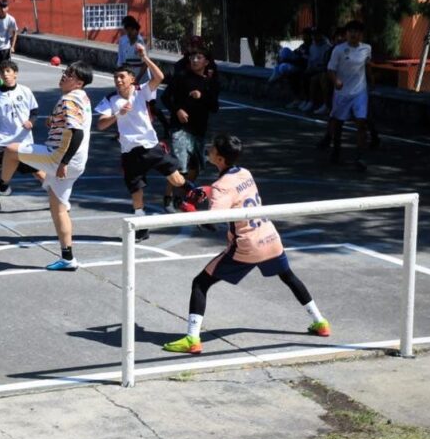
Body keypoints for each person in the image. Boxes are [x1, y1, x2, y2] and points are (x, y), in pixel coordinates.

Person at [162, 133, 331, 354]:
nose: (209, 150)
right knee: (288, 277)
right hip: (269, 237)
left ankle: (192, 339)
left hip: (247, 245)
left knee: (200, 283)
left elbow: (211, 221)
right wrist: (207, 191)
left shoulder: (221, 186)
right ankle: (320, 322)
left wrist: (191, 208)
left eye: (213, 149)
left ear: (220, 159)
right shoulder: (244, 173)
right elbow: (232, 192)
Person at [0, 61, 94, 271]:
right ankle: (68, 258)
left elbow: (77, 132)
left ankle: (2, 187)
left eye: (69, 74)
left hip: (59, 158)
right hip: (78, 163)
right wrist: (55, 121)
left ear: (79, 82)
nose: (63, 75)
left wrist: (63, 163)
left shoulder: (69, 99)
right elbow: (73, 124)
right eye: (65, 71)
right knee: (58, 210)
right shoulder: (83, 97)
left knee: (11, 150)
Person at [96, 42, 187, 241]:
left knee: (178, 181)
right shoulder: (110, 99)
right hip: (130, 151)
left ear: (131, 78)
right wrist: (117, 115)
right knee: (136, 191)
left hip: (151, 147)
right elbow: (101, 124)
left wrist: (144, 57)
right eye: (116, 77)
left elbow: (159, 77)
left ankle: (195, 198)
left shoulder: (142, 91)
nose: (118, 80)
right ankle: (142, 226)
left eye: (122, 77)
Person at [161, 45, 220, 210]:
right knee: (180, 166)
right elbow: (165, 98)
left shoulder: (211, 83)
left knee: (195, 167)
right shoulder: (181, 77)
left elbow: (214, 107)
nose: (194, 60)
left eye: (199, 57)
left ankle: (181, 197)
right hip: (180, 128)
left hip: (199, 128)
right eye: (192, 57)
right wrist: (177, 110)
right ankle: (168, 197)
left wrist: (202, 96)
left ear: (206, 62)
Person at [0, 60, 45, 217]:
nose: (5, 74)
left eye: (8, 71)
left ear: (15, 73)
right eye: (2, 72)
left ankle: (60, 198)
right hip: (1, 141)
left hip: (22, 141)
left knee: (38, 173)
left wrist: (31, 122)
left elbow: (35, 111)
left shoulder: (25, 91)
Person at [325, 20, 372, 171]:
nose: (353, 34)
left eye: (357, 32)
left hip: (360, 91)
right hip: (342, 92)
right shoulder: (338, 50)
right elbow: (330, 70)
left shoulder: (366, 49)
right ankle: (336, 150)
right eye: (351, 31)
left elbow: (367, 65)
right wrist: (336, 81)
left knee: (361, 122)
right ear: (346, 33)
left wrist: (372, 80)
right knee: (339, 122)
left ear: (361, 35)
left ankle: (360, 157)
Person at [115, 15, 149, 84]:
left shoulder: (141, 42)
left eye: (131, 30)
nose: (128, 33)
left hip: (141, 78)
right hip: (128, 77)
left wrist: (137, 79)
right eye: (127, 30)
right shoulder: (122, 41)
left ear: (136, 30)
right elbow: (120, 60)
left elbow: (145, 63)